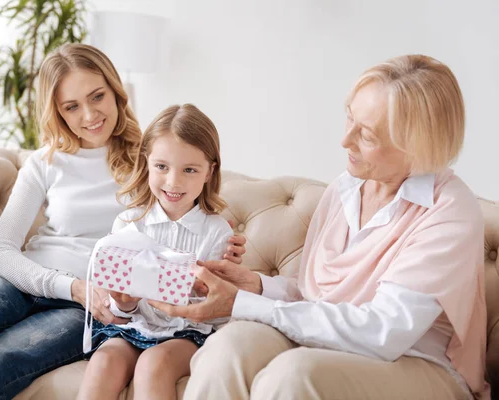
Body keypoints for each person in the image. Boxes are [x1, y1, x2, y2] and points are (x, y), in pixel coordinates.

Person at [0, 44, 246, 400]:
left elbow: (192, 193)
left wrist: (225, 237)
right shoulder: (44, 162)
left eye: (98, 96)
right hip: (24, 282)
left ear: (115, 92)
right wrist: (71, 285)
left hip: (85, 307)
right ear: (57, 112)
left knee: (0, 360)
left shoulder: (150, 158)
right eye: (72, 106)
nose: (90, 114)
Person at [151, 54, 489, 400]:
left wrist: (243, 303)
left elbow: (383, 332)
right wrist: (257, 286)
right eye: (350, 118)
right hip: (333, 344)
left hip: (418, 364)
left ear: (417, 147)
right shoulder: (346, 189)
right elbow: (318, 299)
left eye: (367, 136)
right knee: (228, 347)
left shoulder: (448, 210)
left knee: (293, 376)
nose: (346, 141)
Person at [77, 103, 233, 400]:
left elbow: (217, 313)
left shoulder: (217, 232)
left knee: (154, 362)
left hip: (188, 333)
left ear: (209, 172)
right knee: (104, 360)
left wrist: (197, 293)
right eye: (162, 167)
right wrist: (124, 304)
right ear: (147, 162)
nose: (174, 182)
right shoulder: (128, 223)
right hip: (135, 327)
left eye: (189, 170)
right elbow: (120, 308)